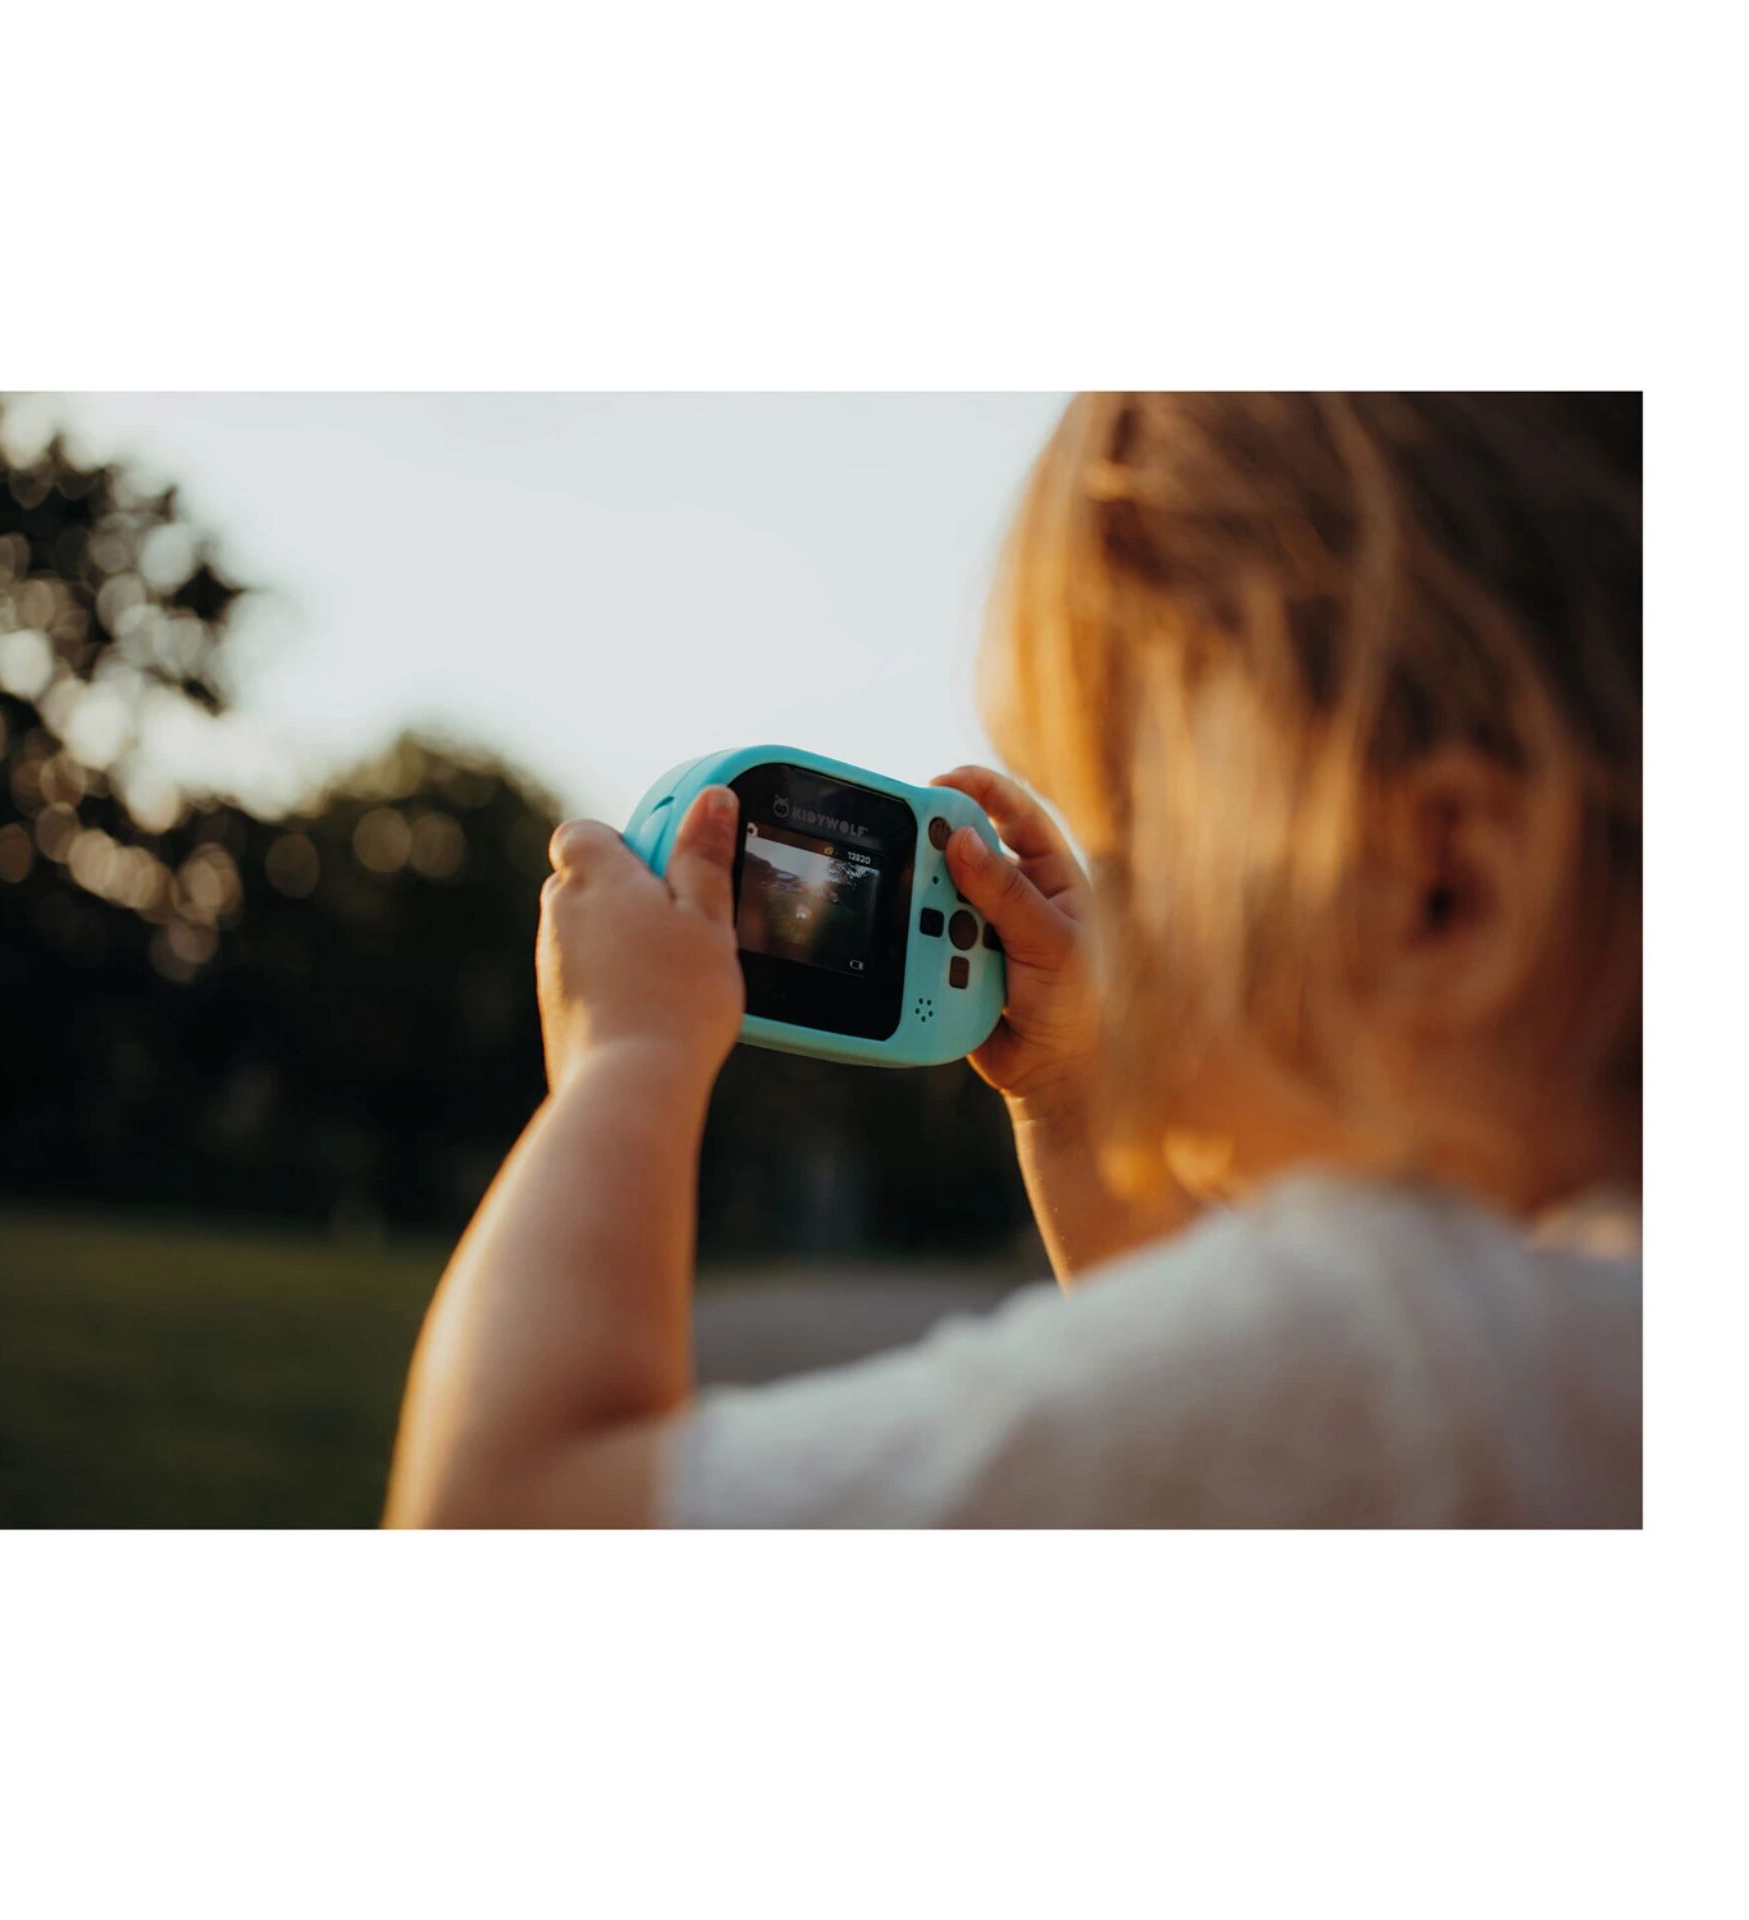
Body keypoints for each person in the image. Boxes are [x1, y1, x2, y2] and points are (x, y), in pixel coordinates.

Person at [384, 393, 1642, 1528]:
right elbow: (1203, 1411)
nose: (1110, 900)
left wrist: (628, 1064)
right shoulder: (1581, 1322)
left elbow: (516, 1514)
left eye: (1141, 835)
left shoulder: (1403, 1354)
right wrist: (1078, 1090)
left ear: (1452, 892)